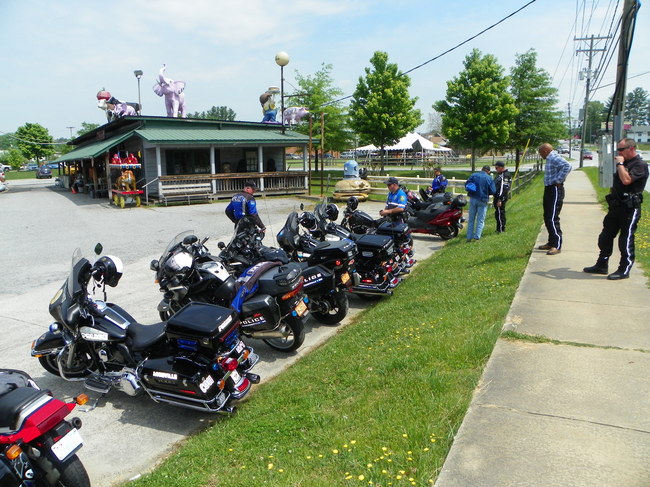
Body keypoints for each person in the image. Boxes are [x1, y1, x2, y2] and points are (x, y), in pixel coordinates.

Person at [583, 138, 649, 280]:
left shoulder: (640, 165)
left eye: (621, 150)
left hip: (629, 209)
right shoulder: (624, 163)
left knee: (625, 240)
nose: (618, 153)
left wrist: (620, 164)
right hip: (616, 207)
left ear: (631, 148)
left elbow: (626, 180)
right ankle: (602, 264)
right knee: (605, 237)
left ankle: (624, 269)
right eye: (617, 149)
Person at [537, 143, 572, 255]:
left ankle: (557, 245)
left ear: (545, 151)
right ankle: (551, 242)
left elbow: (567, 166)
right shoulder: (550, 158)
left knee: (552, 217)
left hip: (555, 189)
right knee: (547, 216)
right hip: (549, 188)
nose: (540, 155)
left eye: (541, 153)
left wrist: (558, 180)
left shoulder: (553, 157)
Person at [465, 165, 496, 241]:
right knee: (480, 220)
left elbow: (466, 185)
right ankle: (477, 236)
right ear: (488, 171)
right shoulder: (489, 178)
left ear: (482, 169)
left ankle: (469, 237)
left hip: (473, 198)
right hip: (483, 199)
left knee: (471, 219)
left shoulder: (474, 175)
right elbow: (493, 191)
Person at [492, 161, 512, 233]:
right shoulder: (500, 174)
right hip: (498, 196)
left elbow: (503, 188)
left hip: (500, 197)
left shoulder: (505, 175)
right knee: (498, 213)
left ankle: (501, 229)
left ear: (501, 167)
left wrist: (500, 199)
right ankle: (498, 228)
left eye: (496, 167)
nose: (496, 169)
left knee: (500, 213)